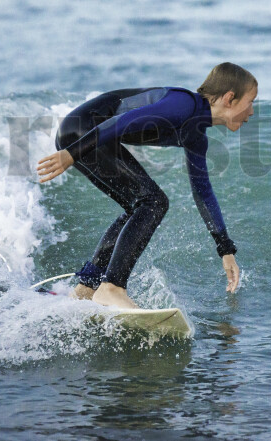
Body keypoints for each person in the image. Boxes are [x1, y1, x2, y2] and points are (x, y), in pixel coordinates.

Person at [37, 63, 257, 309]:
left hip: (84, 135)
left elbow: (203, 192)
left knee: (140, 205)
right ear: (230, 98)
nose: (251, 111)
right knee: (154, 201)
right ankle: (112, 287)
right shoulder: (183, 104)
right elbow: (123, 121)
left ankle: (86, 288)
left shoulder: (195, 135)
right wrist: (71, 153)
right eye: (250, 102)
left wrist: (225, 249)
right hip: (85, 130)